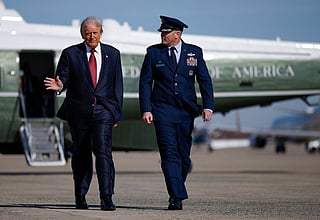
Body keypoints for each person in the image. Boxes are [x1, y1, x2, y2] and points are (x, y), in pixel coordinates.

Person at [44, 16, 123, 211]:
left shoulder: (113, 54)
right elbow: (63, 78)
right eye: (87, 33)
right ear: (82, 34)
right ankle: (80, 195)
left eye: (95, 33)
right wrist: (60, 85)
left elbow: (117, 86)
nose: (91, 36)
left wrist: (116, 113)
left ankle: (106, 197)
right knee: (81, 155)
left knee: (103, 153)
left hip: (104, 111)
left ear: (101, 33)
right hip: (79, 112)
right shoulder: (71, 53)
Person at [139, 15, 214, 210]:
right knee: (169, 154)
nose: (162, 35)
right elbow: (145, 82)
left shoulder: (194, 52)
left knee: (183, 157)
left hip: (185, 112)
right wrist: (146, 109)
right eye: (162, 32)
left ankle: (176, 189)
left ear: (177, 34)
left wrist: (208, 106)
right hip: (162, 110)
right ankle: (176, 196)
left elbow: (204, 80)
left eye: (166, 32)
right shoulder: (153, 53)